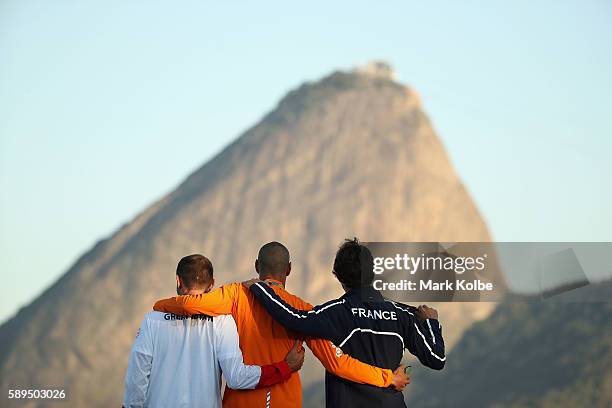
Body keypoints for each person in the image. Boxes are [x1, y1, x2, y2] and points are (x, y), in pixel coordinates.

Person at [153, 242, 409, 408]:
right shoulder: (303, 310)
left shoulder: (235, 294)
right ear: (288, 270)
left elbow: (189, 304)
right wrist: (387, 377)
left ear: (257, 266)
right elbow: (338, 363)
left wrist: (160, 305)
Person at [245, 238, 446, 407]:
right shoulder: (402, 314)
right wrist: (431, 323)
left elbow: (292, 318)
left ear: (338, 276)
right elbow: (436, 358)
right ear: (373, 273)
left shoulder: (335, 312)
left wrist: (259, 288)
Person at [123, 254, 304, 408]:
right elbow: (236, 377)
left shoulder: (153, 319)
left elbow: (137, 375)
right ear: (212, 286)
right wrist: (284, 368)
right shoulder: (222, 321)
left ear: (178, 281)